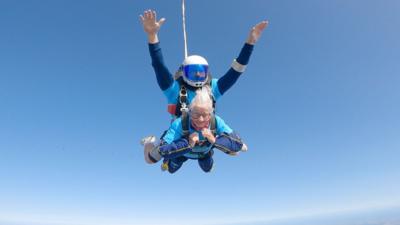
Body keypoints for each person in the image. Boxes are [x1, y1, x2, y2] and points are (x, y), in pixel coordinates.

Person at [139, 9, 268, 117]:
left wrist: (250, 43)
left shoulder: (212, 88)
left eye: (201, 73)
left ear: (207, 73)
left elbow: (237, 70)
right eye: (192, 73)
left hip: (206, 143)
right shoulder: (174, 90)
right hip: (179, 142)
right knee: (159, 147)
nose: (197, 76)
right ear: (183, 72)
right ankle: (148, 145)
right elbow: (158, 65)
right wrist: (152, 36)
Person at [142, 87, 247, 173]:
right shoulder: (180, 123)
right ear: (189, 112)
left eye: (205, 115)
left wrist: (215, 140)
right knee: (155, 161)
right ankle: (151, 141)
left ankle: (210, 154)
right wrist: (188, 143)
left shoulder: (216, 121)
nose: (200, 120)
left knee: (209, 168)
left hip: (204, 153)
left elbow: (239, 145)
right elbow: (163, 150)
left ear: (211, 114)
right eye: (196, 115)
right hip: (182, 153)